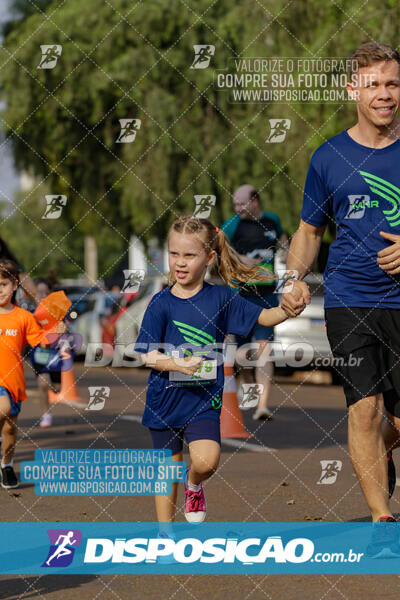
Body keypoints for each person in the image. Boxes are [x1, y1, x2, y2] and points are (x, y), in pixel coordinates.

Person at [281, 43, 400, 546]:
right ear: (353, 89)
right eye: (372, 84)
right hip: (350, 299)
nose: (384, 94)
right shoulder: (328, 157)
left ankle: (382, 449)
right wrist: (293, 278)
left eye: (392, 83)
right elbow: (310, 232)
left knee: (392, 421)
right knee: (363, 408)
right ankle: (381, 519)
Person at [134, 216, 305, 526]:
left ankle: (194, 483)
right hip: (164, 400)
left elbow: (264, 317)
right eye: (174, 254)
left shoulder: (221, 298)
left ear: (209, 258)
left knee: (206, 461)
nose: (180, 263)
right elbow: (147, 354)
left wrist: (287, 309)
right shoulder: (160, 303)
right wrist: (177, 363)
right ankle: (164, 534)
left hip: (203, 400)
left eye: (189, 255)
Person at [221, 185, 288, 420]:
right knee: (241, 355)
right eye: (235, 205)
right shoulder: (232, 224)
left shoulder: (272, 221)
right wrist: (241, 260)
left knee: (264, 351)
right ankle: (247, 382)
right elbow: (217, 248)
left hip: (267, 295)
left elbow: (283, 240)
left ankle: (262, 406)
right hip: (240, 296)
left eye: (242, 204)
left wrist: (286, 252)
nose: (238, 208)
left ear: (255, 201)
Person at [0, 260, 63, 489]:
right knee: (2, 408)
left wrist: (54, 332)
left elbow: (40, 342)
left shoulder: (23, 317)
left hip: (14, 382)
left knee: (9, 428)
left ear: (14, 285)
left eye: (4, 284)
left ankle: (7, 465)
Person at [29, 277, 62, 428]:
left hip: (55, 353)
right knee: (43, 383)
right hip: (38, 352)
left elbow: (65, 328)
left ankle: (55, 388)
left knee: (56, 388)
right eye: (39, 292)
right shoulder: (30, 313)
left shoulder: (57, 310)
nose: (42, 296)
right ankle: (46, 414)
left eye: (45, 293)